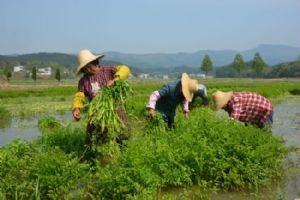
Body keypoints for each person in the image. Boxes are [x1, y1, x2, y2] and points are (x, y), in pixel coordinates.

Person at [72, 49, 131, 144]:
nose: (87, 70)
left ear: (93, 63)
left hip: (114, 108)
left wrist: (115, 79)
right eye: (85, 69)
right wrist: (76, 109)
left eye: (88, 66)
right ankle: (94, 154)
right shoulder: (83, 81)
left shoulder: (107, 71)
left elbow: (125, 69)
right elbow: (79, 96)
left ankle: (123, 151)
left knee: (123, 133)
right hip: (96, 112)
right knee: (92, 138)